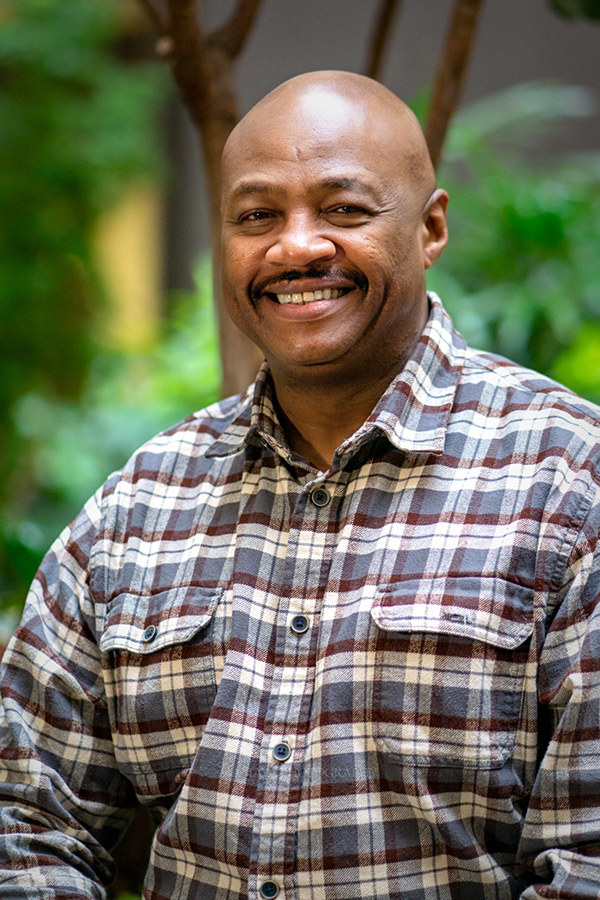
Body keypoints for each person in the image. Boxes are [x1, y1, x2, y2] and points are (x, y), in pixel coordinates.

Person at [1, 70, 600, 900]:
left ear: (430, 229)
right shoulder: (137, 509)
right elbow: (26, 823)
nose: (295, 247)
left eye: (344, 209)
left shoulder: (568, 483)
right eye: (258, 217)